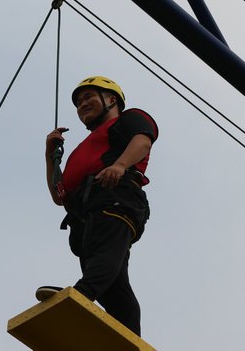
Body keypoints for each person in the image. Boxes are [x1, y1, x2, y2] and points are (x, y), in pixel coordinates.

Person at [38, 76, 158, 336]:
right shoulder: (81, 150)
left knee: (105, 258)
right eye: (79, 102)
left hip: (116, 198)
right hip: (86, 217)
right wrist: (51, 157)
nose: (82, 105)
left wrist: (119, 165)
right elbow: (59, 196)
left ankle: (81, 295)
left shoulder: (127, 120)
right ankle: (128, 334)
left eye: (89, 97)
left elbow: (143, 141)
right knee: (115, 286)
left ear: (111, 99)